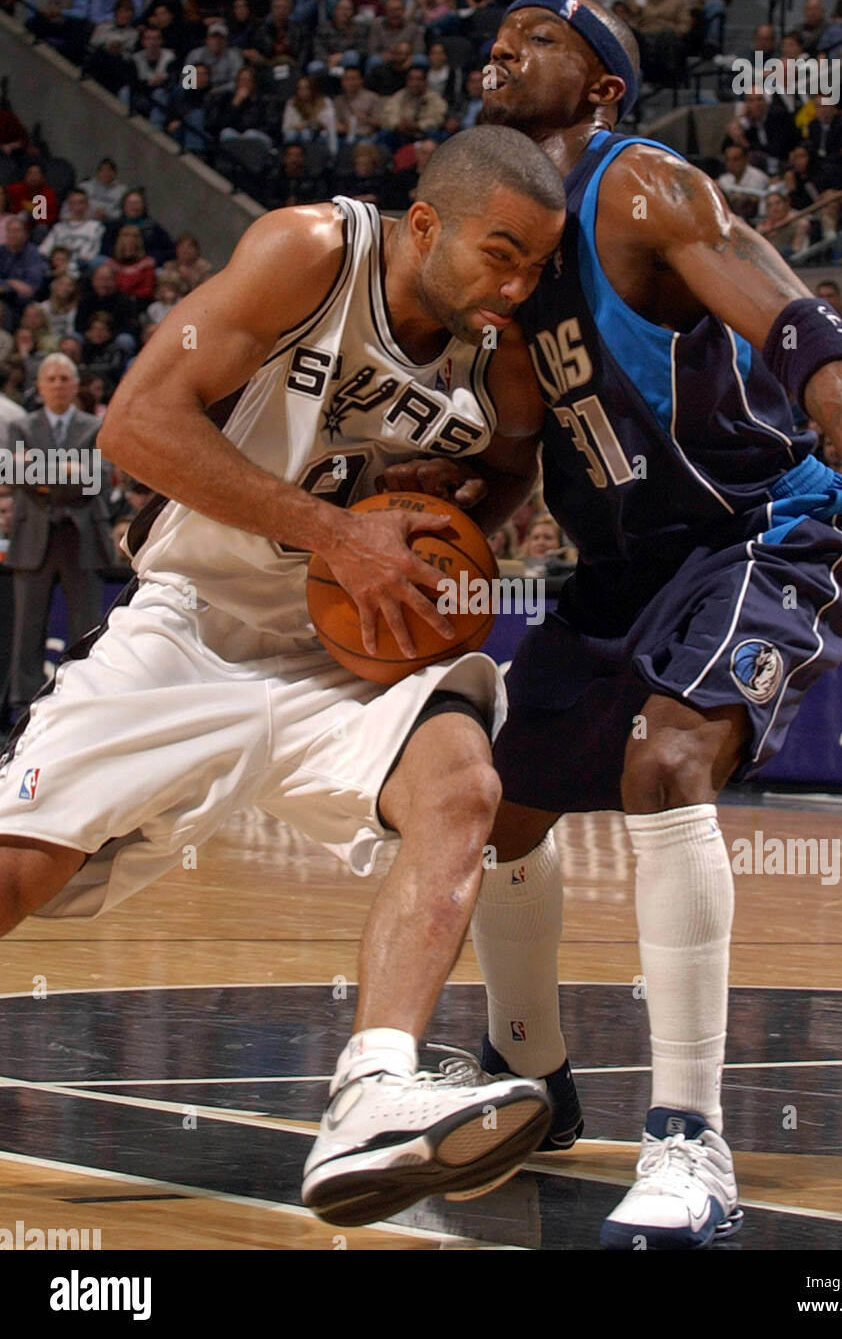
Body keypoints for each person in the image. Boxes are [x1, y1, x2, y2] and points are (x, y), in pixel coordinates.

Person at [387, 0, 842, 1251]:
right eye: (498, 32)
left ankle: (690, 1139)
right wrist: (428, 530)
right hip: (620, 562)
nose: (504, 47)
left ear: (600, 88)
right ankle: (530, 1075)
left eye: (540, 38)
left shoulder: (641, 188)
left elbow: (811, 328)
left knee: (668, 756)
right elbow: (523, 454)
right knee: (491, 793)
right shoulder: (509, 252)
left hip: (757, 528)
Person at [0, 126, 566, 1227]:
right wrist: (334, 535)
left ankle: (371, 1088)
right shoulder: (312, 251)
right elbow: (135, 425)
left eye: (537, 265)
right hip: (191, 631)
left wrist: (437, 544)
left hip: (347, 655)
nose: (518, 285)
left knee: (463, 785)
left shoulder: (498, 347)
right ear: (423, 225)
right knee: (20, 877)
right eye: (501, 255)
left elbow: (505, 467)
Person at [1, 353, 115, 715]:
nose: (58, 385)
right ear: (39, 385)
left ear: (76, 384)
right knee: (26, 631)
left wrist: (41, 473)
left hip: (82, 537)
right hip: (33, 537)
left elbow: (96, 478)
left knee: (86, 630)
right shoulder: (21, 427)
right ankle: (23, 709)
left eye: (65, 378)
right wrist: (66, 471)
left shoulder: (95, 426)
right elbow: (12, 474)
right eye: (50, 378)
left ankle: (82, 705)